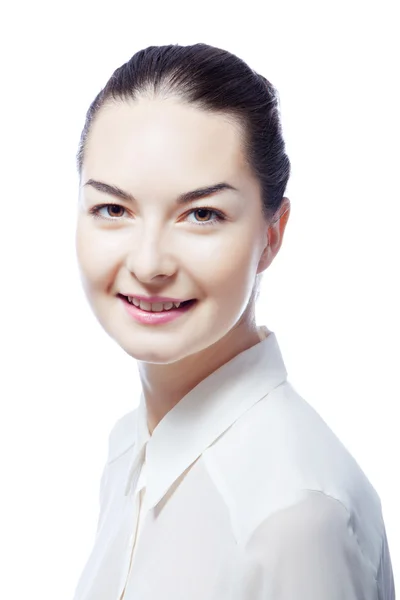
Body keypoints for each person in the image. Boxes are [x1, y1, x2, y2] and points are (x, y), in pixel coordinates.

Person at [73, 43, 395, 600]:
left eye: (202, 214)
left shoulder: (294, 519)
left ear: (272, 234)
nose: (149, 263)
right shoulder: (131, 450)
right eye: (113, 209)